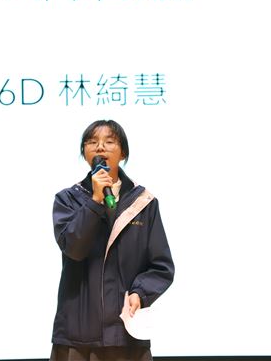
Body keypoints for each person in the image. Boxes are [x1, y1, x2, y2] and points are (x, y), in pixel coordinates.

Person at [50, 119, 175, 361]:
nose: (100, 147)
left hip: (126, 333)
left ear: (123, 153)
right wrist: (95, 201)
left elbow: (161, 266)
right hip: (77, 334)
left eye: (109, 141)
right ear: (84, 153)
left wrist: (140, 293)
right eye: (92, 142)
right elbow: (73, 248)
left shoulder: (144, 202)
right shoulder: (67, 200)